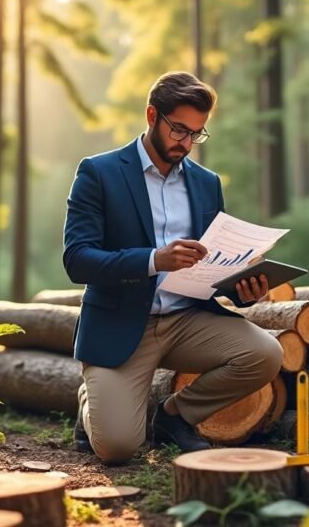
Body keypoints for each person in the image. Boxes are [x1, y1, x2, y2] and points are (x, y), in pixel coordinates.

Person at [62, 71, 284, 464]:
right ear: (152, 115)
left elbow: (214, 261)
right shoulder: (99, 172)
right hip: (121, 324)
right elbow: (77, 259)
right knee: (118, 448)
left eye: (197, 134)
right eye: (179, 130)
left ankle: (173, 416)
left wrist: (244, 288)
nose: (186, 143)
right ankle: (90, 404)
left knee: (266, 353)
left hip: (188, 320)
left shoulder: (206, 183)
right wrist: (152, 260)